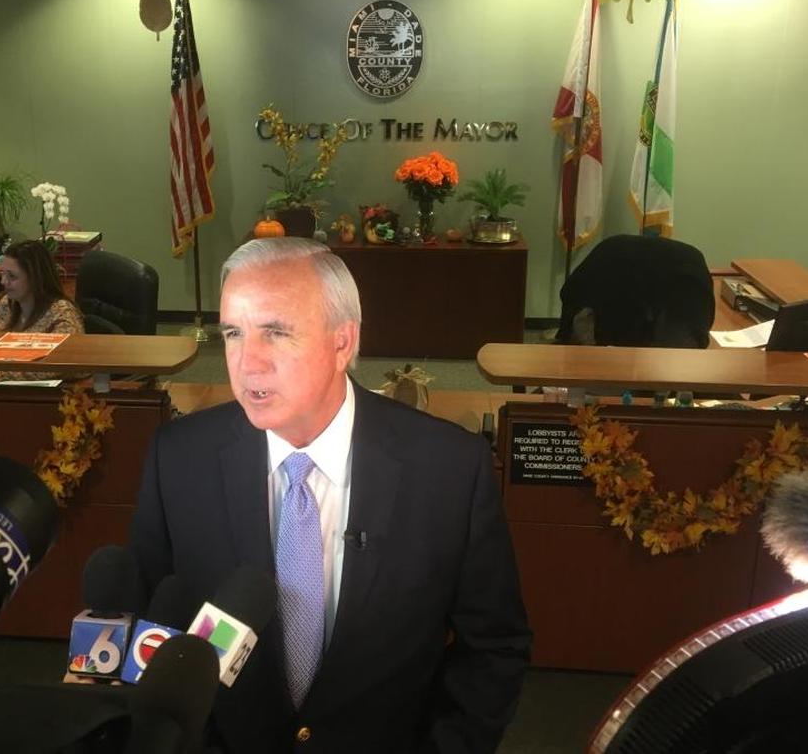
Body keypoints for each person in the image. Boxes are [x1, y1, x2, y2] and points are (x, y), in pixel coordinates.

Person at [131, 237, 531, 753]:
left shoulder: (450, 469)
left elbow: (494, 648)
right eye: (233, 332)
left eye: (275, 332)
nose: (247, 362)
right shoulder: (178, 459)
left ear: (343, 343)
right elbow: (150, 626)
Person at [0, 239, 84, 385]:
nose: (3, 281)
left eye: (12, 276)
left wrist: (0, 375)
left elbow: (62, 363)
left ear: (35, 278)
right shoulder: (7, 304)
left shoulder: (62, 314)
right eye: (2, 274)